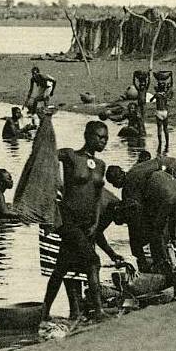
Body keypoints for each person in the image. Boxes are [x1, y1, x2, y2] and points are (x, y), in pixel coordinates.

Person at [41, 121, 109, 321]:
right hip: (68, 220)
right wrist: (46, 123)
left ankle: (44, 312)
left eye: (105, 138)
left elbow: (97, 198)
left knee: (62, 266)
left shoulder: (100, 165)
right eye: (99, 136)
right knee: (93, 262)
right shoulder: (71, 155)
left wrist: (96, 223)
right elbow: (45, 155)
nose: (103, 141)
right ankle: (98, 311)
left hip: (87, 224)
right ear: (87, 136)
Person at [150, 83, 171, 154]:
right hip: (165, 111)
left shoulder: (157, 95)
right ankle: (167, 143)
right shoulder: (165, 94)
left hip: (159, 112)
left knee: (159, 128)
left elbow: (151, 100)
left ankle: (160, 143)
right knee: (166, 128)